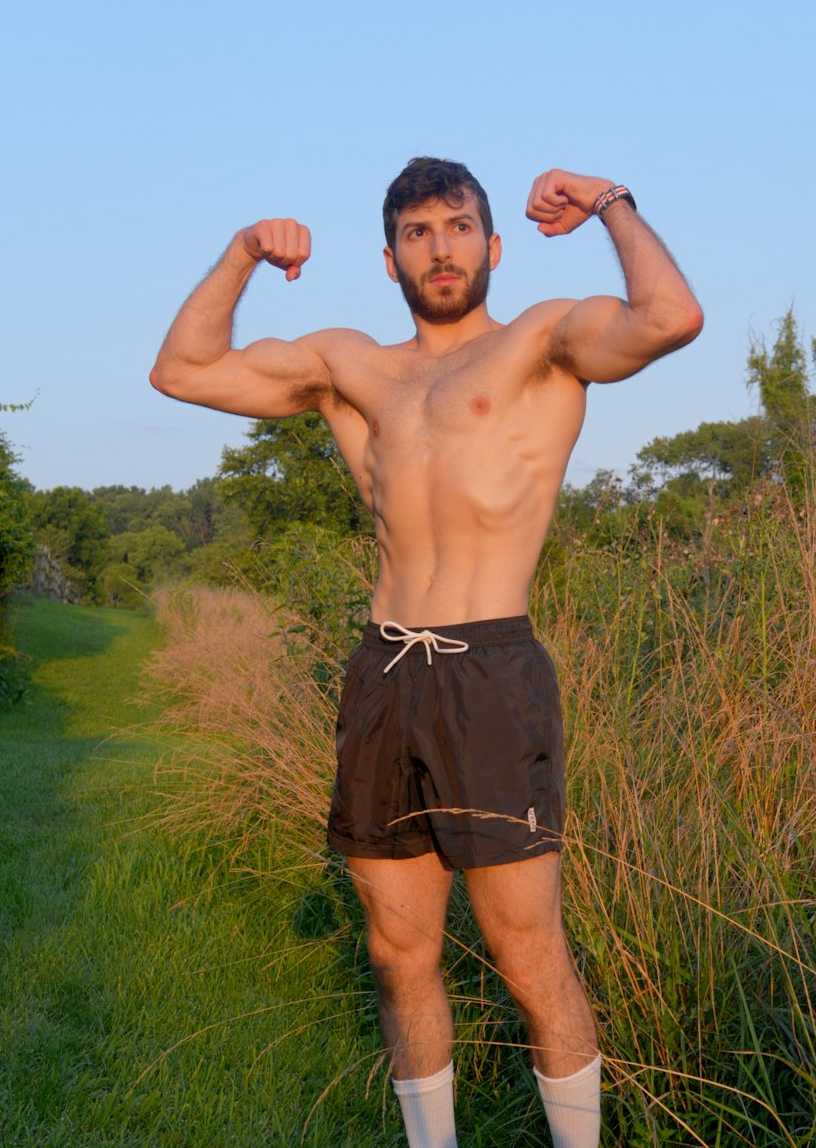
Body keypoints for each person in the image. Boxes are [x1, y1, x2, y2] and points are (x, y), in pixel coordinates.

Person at [150, 158, 703, 1148]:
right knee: (397, 950)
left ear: (492, 246)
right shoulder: (352, 366)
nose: (438, 246)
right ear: (391, 256)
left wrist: (610, 203)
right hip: (382, 674)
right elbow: (182, 369)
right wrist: (241, 252)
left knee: (526, 952)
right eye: (417, 232)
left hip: (489, 669)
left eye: (456, 227)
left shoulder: (543, 339)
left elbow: (668, 316)